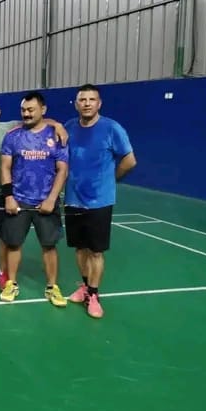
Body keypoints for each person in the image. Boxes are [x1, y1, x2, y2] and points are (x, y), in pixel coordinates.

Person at [0, 101, 68, 293]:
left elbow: (37, 120)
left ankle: (4, 273)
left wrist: (57, 125)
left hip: (3, 195)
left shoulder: (10, 128)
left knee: (8, 238)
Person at [64, 83, 136, 318]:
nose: (87, 103)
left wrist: (111, 180)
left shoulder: (111, 128)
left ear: (99, 103)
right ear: (76, 104)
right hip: (73, 198)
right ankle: (85, 286)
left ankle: (94, 294)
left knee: (96, 251)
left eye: (91, 99)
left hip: (100, 201)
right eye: (82, 100)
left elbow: (129, 160)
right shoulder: (69, 127)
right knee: (80, 248)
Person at [0, 91, 68, 307]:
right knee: (13, 244)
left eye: (31, 109)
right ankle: (11, 283)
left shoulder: (56, 135)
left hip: (46, 200)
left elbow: (62, 170)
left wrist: (52, 199)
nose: (26, 114)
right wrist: (9, 197)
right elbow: (5, 167)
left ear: (43, 110)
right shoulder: (12, 136)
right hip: (18, 199)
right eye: (23, 110)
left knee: (49, 245)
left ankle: (52, 287)